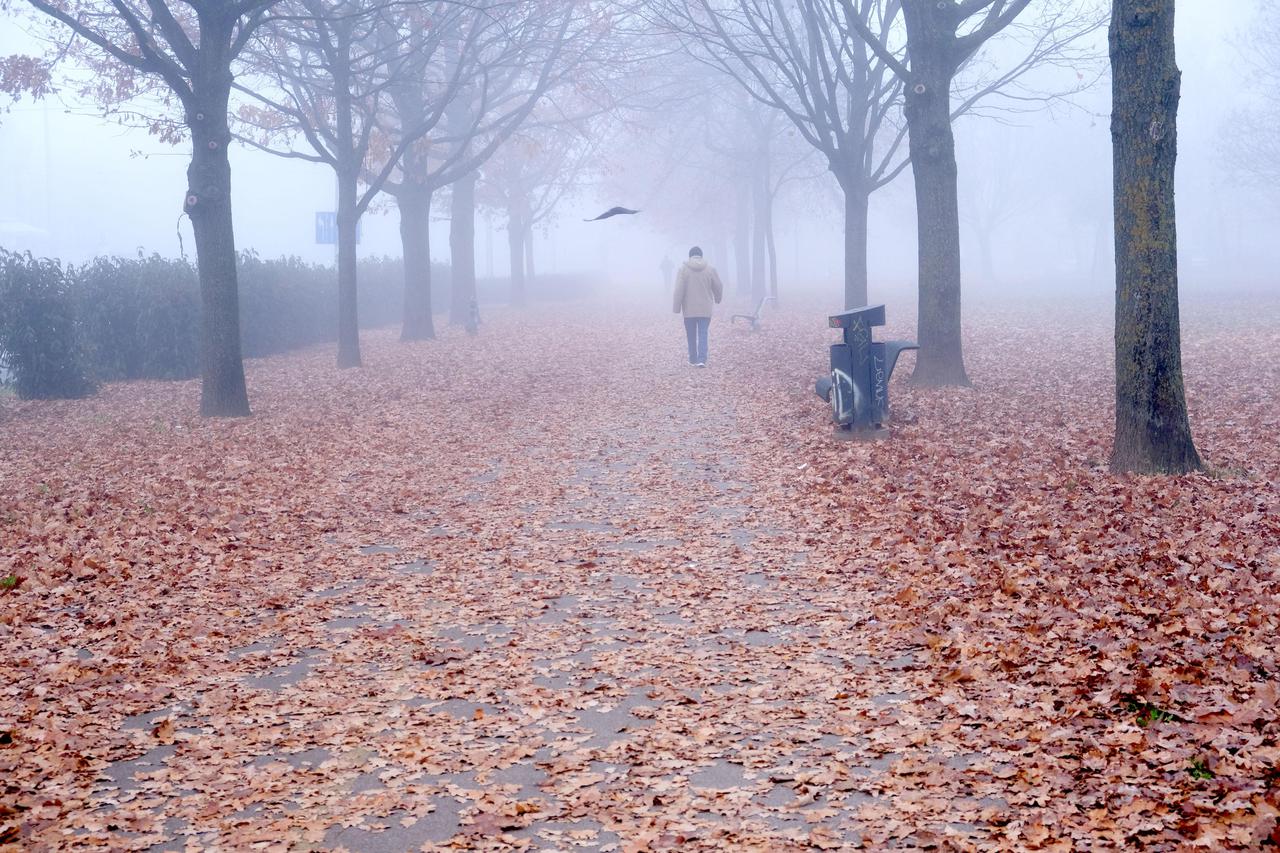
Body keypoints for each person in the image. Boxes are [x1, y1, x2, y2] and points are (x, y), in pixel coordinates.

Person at [672, 246, 724, 367]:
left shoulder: (683, 270)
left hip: (689, 309)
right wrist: (718, 298)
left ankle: (692, 358)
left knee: (691, 334)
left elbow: (678, 290)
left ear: (690, 256)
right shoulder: (710, 269)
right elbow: (719, 286)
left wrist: (676, 307)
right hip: (705, 308)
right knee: (703, 333)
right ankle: (702, 359)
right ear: (701, 255)